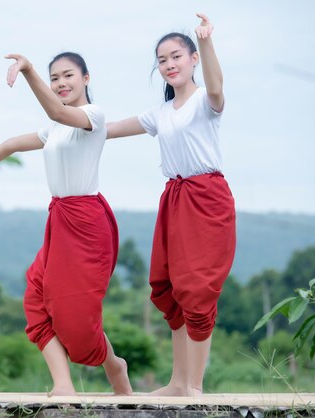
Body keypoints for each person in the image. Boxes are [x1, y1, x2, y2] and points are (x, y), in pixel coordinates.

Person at [0, 52, 133, 396]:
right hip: (59, 220)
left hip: (87, 223)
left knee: (77, 317)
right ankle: (63, 384)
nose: (60, 83)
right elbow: (13, 144)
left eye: (67, 75)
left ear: (86, 78)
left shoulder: (92, 116)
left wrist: (27, 70)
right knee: (36, 298)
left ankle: (115, 366)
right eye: (54, 77)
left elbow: (57, 110)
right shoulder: (54, 128)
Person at [107, 13, 236, 396]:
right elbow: (108, 130)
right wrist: (71, 120)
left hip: (206, 198)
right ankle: (178, 383)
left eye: (176, 56)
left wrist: (207, 41)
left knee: (197, 289)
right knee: (167, 287)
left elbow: (216, 87)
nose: (169, 64)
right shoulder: (159, 113)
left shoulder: (204, 102)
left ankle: (195, 385)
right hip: (174, 198)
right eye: (162, 60)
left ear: (192, 58)